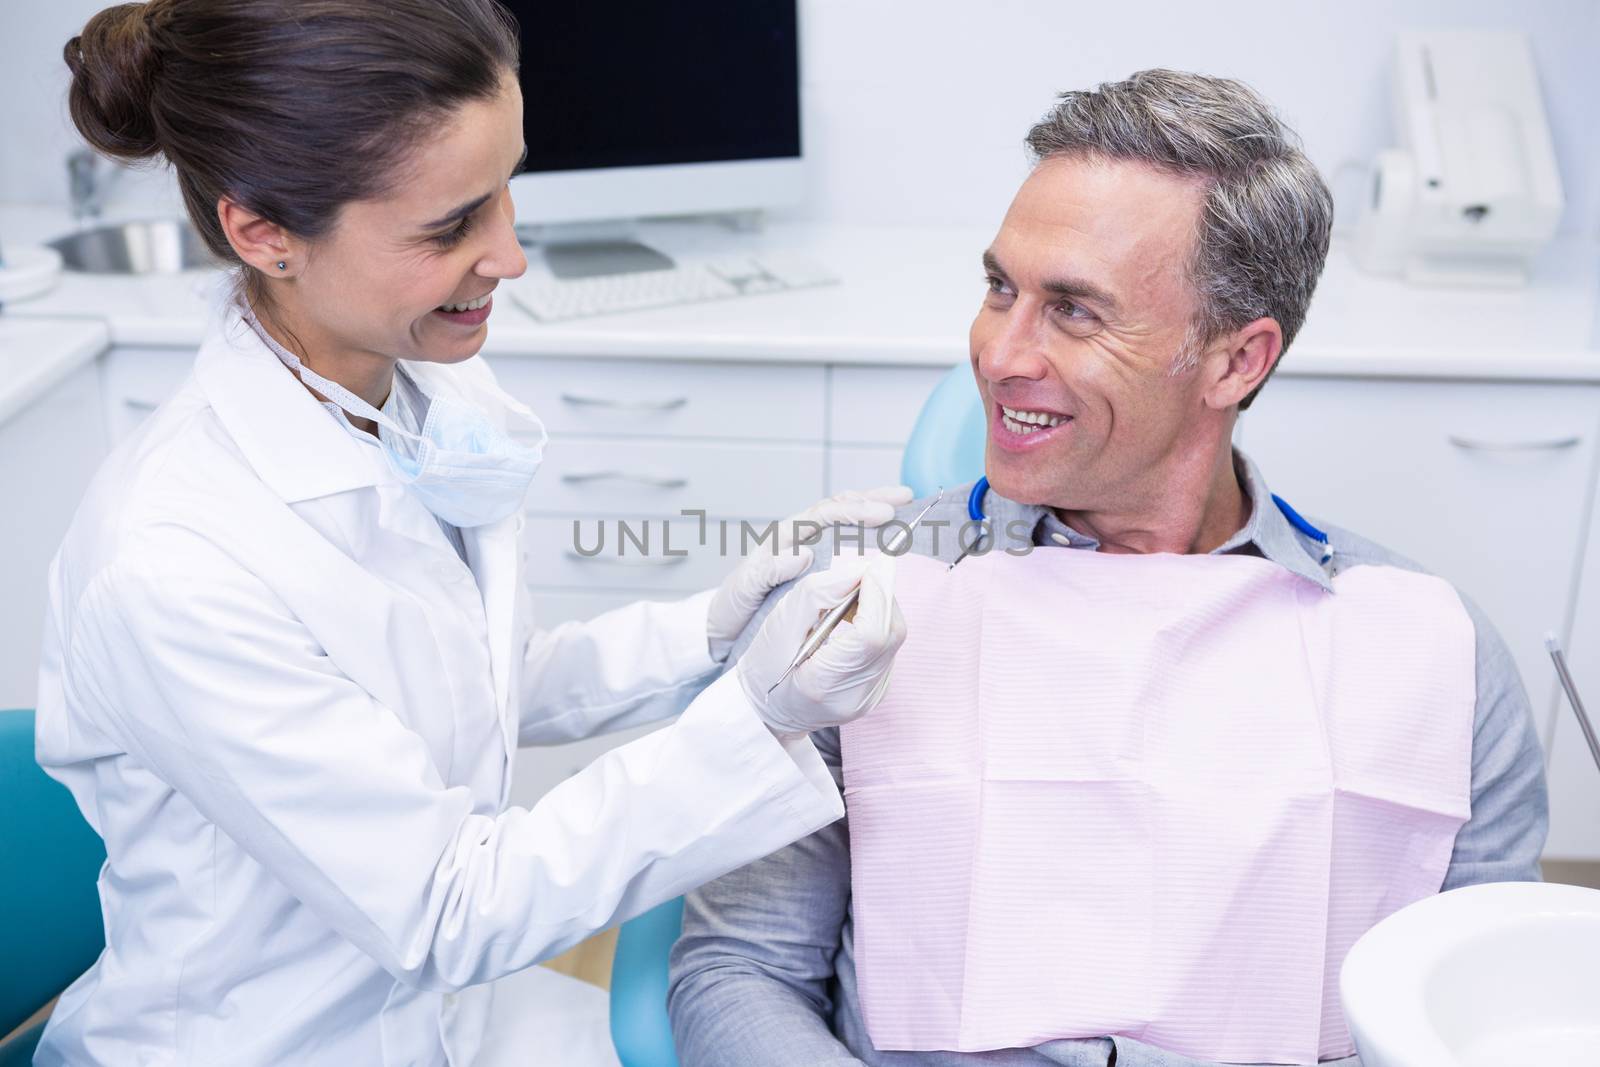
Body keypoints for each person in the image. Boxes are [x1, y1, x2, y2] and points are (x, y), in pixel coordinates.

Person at [32, 2, 908, 1064]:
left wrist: (711, 632)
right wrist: (757, 717)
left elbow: (467, 680)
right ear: (264, 233)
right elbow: (451, 903)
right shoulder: (174, 564)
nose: (509, 255)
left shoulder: (417, 393)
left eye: (506, 189)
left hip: (459, 1014)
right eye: (450, 225)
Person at [668, 70, 1548, 1067]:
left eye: (1074, 311)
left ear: (1234, 361)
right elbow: (739, 969)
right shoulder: (856, 603)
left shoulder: (1433, 650)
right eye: (999, 287)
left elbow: (1479, 1002)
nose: (999, 354)